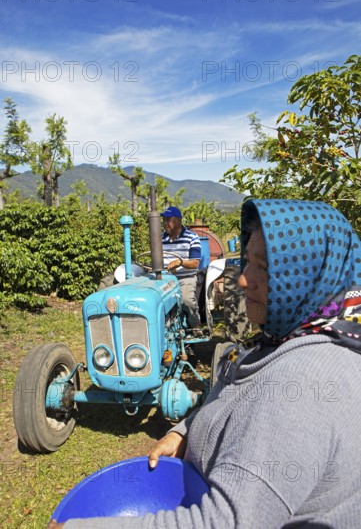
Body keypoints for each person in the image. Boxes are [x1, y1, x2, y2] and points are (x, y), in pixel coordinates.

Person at [49, 198, 361, 528]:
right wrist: (186, 430)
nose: (243, 280)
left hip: (183, 278)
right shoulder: (291, 341)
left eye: (265, 268)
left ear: (312, 277)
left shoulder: (300, 386)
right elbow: (238, 405)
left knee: (188, 299)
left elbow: (226, 522)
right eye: (248, 263)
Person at [161, 206, 202, 329]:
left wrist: (180, 262)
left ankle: (195, 324)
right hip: (165, 279)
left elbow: (195, 263)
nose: (165, 223)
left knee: (187, 301)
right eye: (163, 220)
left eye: (168, 220)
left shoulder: (192, 237)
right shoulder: (160, 238)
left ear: (178, 220)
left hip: (186, 277)